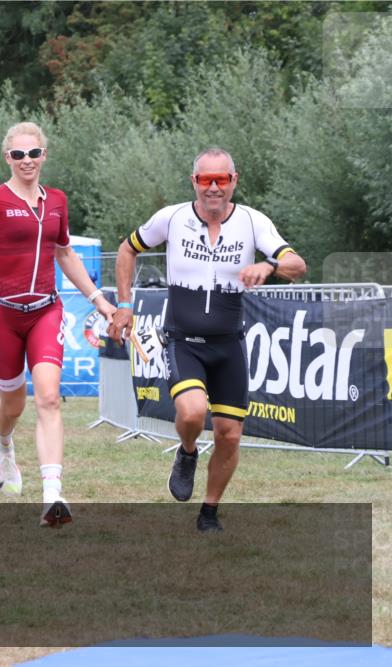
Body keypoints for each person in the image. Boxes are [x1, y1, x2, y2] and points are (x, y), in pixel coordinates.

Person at [108, 147, 307, 532]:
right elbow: (127, 249)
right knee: (192, 412)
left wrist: (269, 265)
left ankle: (209, 512)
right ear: (193, 182)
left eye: (221, 179)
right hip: (184, 340)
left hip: (229, 345)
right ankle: (187, 452)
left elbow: (297, 265)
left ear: (234, 181)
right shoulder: (171, 218)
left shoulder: (252, 222)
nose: (213, 187)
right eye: (205, 179)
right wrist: (125, 304)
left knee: (229, 435)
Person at [0, 121, 115, 528]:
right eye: (18, 154)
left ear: (44, 155)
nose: (26, 160)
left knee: (49, 397)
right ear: (7, 158)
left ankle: (52, 495)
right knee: (13, 404)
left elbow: (65, 253)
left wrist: (99, 300)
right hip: (0, 314)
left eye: (33, 153)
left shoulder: (57, 200)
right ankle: (3, 442)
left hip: (46, 310)